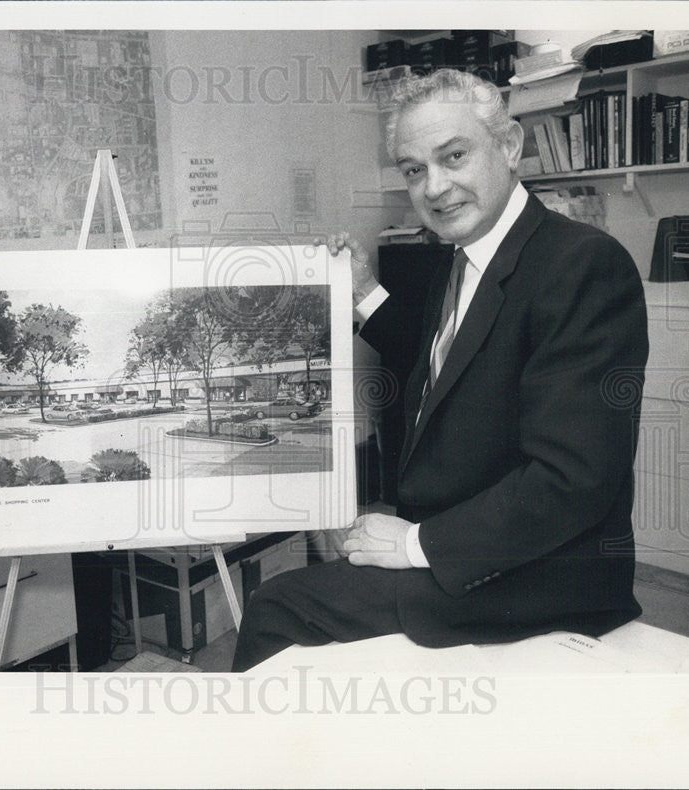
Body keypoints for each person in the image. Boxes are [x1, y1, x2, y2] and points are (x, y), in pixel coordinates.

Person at [231, 68, 649, 672]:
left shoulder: (583, 264)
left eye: (454, 156)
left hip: (545, 571)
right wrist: (364, 291)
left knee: (277, 606)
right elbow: (451, 362)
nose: (435, 187)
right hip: (471, 536)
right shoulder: (460, 258)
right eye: (413, 169)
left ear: (509, 147)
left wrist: (415, 543)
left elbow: (572, 480)